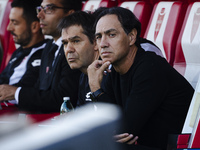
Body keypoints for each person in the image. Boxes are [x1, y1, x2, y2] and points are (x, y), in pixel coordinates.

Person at [87, 7, 194, 150]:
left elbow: (123, 129)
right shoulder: (113, 71)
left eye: (111, 35)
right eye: (99, 37)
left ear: (131, 37)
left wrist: (95, 88)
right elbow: (107, 123)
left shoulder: (151, 68)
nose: (103, 44)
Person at [0, 0, 82, 113]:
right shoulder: (49, 47)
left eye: (49, 9)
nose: (39, 15)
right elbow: (39, 90)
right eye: (40, 9)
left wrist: (16, 93)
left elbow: (64, 99)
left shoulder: (75, 48)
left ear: (69, 14)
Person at [0, 0, 48, 104]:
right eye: (9, 22)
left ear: (34, 26)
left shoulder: (46, 52)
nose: (9, 28)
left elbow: (27, 87)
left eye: (15, 23)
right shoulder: (19, 52)